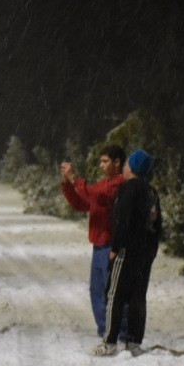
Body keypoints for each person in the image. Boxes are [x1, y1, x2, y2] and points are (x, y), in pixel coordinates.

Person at [94, 149, 161, 357]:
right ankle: (133, 341)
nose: (123, 167)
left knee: (114, 294)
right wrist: (150, 252)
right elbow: (157, 225)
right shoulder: (151, 192)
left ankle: (110, 341)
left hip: (127, 251)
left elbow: (123, 222)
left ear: (133, 168)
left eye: (126, 164)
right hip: (144, 253)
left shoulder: (128, 189)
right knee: (137, 297)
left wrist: (115, 248)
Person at [60, 145, 126, 339]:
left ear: (117, 163)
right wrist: (67, 184)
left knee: (111, 294)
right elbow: (82, 203)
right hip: (98, 246)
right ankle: (104, 333)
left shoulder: (118, 184)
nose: (101, 165)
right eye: (101, 161)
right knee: (97, 293)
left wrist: (74, 179)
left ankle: (118, 335)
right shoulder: (104, 183)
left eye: (105, 161)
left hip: (110, 246)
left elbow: (96, 196)